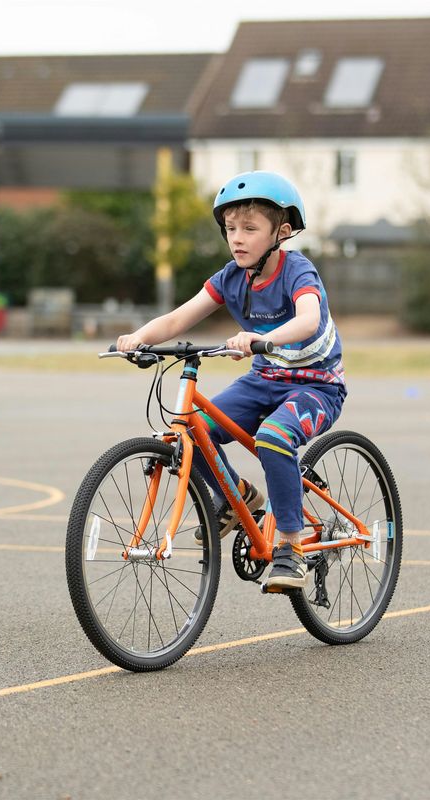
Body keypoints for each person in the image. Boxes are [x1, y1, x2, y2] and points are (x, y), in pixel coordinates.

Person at [116, 170, 346, 592]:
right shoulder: (231, 278)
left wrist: (263, 339)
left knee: (274, 438)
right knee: (192, 431)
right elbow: (178, 318)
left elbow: (309, 318)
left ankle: (291, 548)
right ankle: (236, 499)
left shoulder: (298, 271)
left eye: (250, 228)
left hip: (316, 386)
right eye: (230, 228)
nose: (237, 238)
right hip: (264, 380)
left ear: (283, 231)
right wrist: (139, 338)